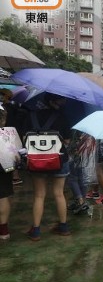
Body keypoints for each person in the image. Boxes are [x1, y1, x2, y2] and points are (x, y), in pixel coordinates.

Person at [23, 95, 72, 241]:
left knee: (39, 195)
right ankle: (63, 227)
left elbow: (25, 139)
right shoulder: (62, 117)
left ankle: (36, 231)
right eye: (60, 100)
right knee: (58, 193)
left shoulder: (31, 116)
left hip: (36, 161)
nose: (62, 103)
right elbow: (68, 141)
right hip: (59, 160)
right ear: (52, 102)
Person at [0, 107, 21, 241]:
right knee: (3, 196)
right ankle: (3, 231)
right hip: (5, 167)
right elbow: (18, 154)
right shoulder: (10, 132)